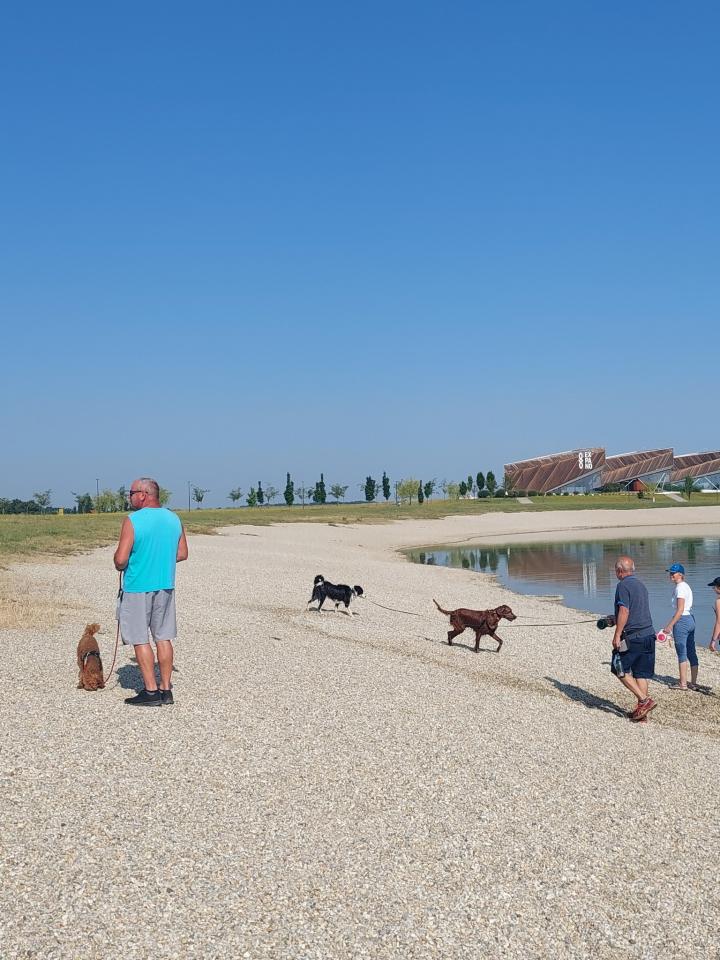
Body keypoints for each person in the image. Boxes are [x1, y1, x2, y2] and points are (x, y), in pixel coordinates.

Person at [113, 478, 188, 706]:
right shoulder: (174, 518)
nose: (130, 497)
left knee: (139, 638)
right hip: (165, 584)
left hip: (138, 586)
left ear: (143, 495)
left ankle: (151, 691)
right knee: (163, 637)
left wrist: (124, 562)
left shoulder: (133, 520)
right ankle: (166, 689)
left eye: (131, 493)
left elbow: (121, 559)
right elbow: (182, 553)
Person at [612, 556, 657, 722]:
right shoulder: (641, 584)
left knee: (618, 668)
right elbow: (635, 610)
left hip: (634, 636)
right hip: (648, 634)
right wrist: (614, 619)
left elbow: (625, 610)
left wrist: (617, 634)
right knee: (641, 674)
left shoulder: (622, 585)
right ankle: (642, 713)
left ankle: (644, 700)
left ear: (619, 571)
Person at [661, 563, 698, 691]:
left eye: (673, 573)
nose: (671, 575)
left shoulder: (680, 588)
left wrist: (669, 626)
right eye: (670, 573)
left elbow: (680, 609)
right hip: (690, 619)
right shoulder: (686, 586)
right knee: (691, 651)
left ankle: (683, 684)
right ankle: (693, 683)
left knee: (682, 653)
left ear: (680, 574)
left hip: (682, 621)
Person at [709, 576, 720, 653]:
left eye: (714, 587)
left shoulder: (718, 601)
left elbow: (719, 622)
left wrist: (713, 641)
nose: (713, 589)